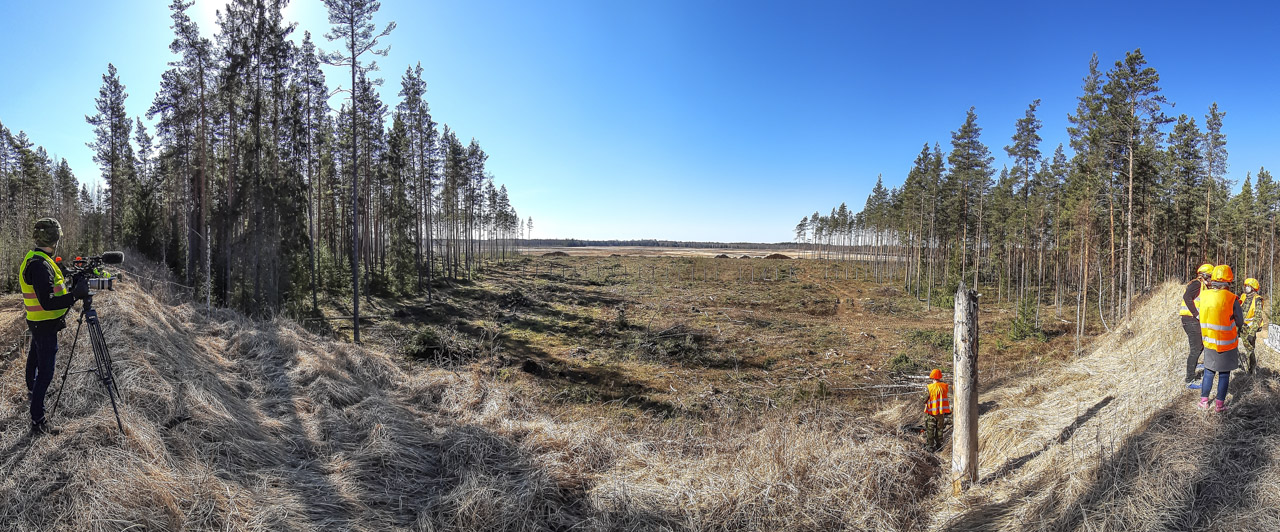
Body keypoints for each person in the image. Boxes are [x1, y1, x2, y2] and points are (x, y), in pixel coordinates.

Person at [19, 218, 88, 435]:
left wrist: (69, 282)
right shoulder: (40, 265)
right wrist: (75, 295)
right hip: (44, 324)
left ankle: (33, 392)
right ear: (55, 238)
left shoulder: (37, 258)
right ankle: (38, 420)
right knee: (46, 372)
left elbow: (52, 286)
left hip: (39, 323)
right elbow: (47, 301)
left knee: (35, 358)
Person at [1197, 265, 1245, 413]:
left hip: (1209, 341)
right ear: (1228, 282)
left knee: (1209, 371)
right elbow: (1240, 321)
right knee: (1224, 374)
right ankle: (1219, 405)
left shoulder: (1204, 296)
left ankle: (1204, 402)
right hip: (1227, 343)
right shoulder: (1231, 298)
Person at [1182, 264, 1214, 389]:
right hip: (1190, 320)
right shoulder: (1197, 284)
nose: (1212, 280)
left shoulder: (1203, 286)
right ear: (1205, 275)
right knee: (1195, 350)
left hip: (1192, 321)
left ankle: (1195, 367)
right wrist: (1196, 314)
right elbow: (1186, 297)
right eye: (1211, 277)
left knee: (1199, 346)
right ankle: (1189, 380)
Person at [1239, 277, 1265, 374]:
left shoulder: (1257, 299)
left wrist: (1252, 333)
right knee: (1232, 345)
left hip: (1250, 328)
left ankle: (1252, 370)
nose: (1246, 288)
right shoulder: (1243, 296)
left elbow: (1258, 317)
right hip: (1241, 325)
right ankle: (1238, 364)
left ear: (1253, 288)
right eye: (1245, 286)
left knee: (1250, 349)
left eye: (1248, 286)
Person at [922, 368, 951, 451]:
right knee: (939, 430)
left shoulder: (929, 387)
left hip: (931, 412)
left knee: (930, 431)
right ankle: (939, 447)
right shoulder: (945, 386)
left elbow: (924, 399)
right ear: (940, 377)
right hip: (941, 413)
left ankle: (930, 448)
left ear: (932, 377)